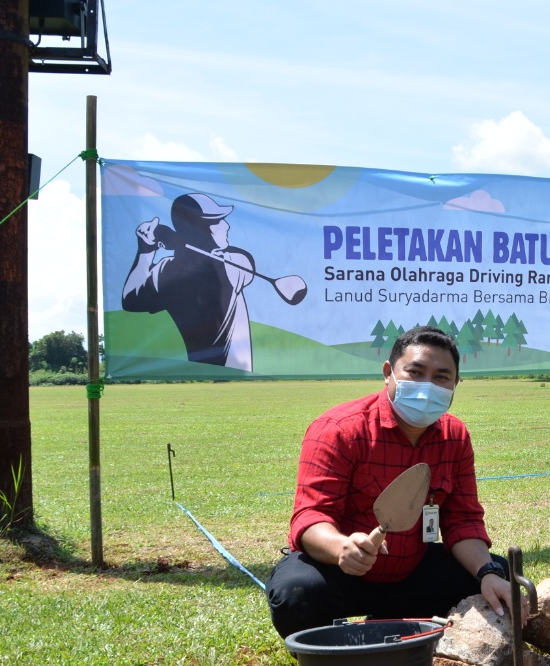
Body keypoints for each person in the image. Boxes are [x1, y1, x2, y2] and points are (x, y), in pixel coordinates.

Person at [265, 325, 521, 639]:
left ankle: (408, 631)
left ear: (456, 383)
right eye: (416, 372)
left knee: (496, 575)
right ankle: (327, 663)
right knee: (296, 591)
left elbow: (462, 521)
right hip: (342, 570)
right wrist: (342, 547)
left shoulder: (455, 436)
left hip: (412, 570)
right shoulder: (338, 428)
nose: (428, 385)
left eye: (441, 377)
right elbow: (310, 516)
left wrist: (487, 573)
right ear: (389, 372)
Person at [122, 192, 257, 371]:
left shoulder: (167, 270)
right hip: (235, 371)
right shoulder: (229, 263)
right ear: (200, 230)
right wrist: (166, 244)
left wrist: (146, 250)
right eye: (217, 221)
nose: (226, 225)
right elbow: (131, 300)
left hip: (199, 373)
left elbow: (130, 297)